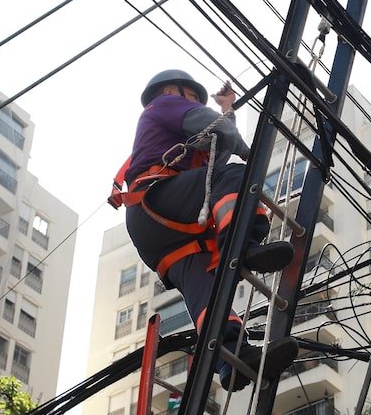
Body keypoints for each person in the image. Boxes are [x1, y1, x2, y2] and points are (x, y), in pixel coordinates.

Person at [108, 69, 297, 391]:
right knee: (237, 178)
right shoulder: (163, 105)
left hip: (161, 234)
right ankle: (244, 245)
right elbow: (219, 135)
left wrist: (227, 110)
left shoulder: (178, 130)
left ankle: (231, 359)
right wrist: (254, 155)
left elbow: (218, 143)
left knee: (207, 292)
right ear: (169, 90)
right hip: (159, 199)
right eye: (192, 96)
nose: (195, 102)